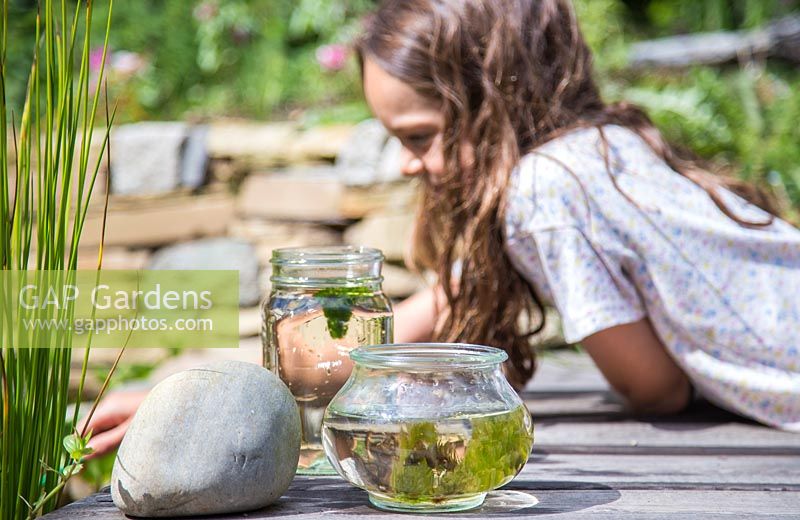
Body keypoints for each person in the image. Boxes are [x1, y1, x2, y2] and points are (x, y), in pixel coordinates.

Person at [81, 0, 800, 457]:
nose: (403, 164)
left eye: (421, 135)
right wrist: (186, 388)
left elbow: (656, 392)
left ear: (495, 104)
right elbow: (404, 324)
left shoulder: (546, 188)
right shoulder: (591, 155)